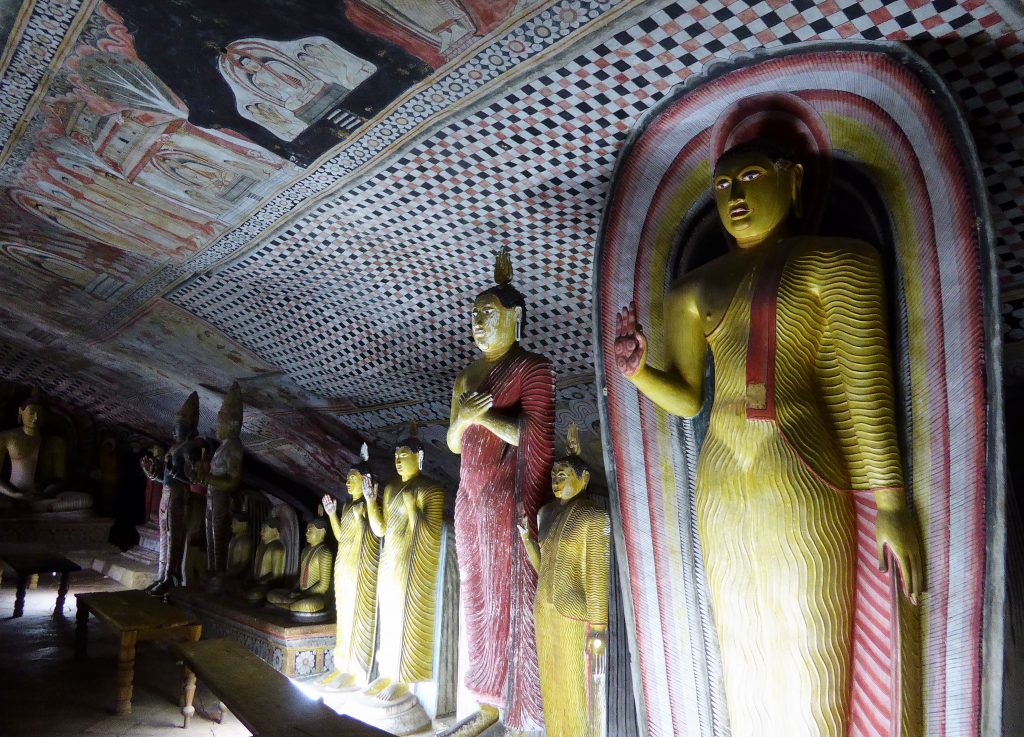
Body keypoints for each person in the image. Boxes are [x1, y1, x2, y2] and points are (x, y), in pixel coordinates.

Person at [614, 132, 923, 736]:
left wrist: (891, 501)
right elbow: (687, 399)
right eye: (723, 185)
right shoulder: (691, 291)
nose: (735, 196)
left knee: (809, 631)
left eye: (752, 177)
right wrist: (638, 372)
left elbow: (863, 385)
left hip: (798, 456)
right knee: (739, 631)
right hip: (722, 467)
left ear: (795, 180)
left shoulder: (836, 261)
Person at [443, 247, 553, 735]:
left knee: (509, 597)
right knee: (477, 598)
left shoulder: (532, 369)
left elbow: (536, 436)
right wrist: (463, 416)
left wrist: (481, 414)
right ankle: (485, 698)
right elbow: (452, 441)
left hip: (508, 501)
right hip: (470, 500)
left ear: (515, 318)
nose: (478, 324)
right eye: (474, 316)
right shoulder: (465, 377)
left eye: (488, 315)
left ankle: (520, 706)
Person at [518, 423, 609, 737]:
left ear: (583, 480)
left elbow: (597, 576)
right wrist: (527, 540)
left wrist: (598, 628)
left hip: (573, 612)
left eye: (564, 475)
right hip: (544, 608)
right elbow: (543, 566)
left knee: (575, 684)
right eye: (554, 475)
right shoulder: (545, 514)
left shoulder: (593, 517)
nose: (556, 481)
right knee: (552, 681)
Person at [361, 431, 445, 703]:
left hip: (414, 563)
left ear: (419, 458)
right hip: (391, 560)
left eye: (404, 455)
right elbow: (381, 529)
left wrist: (412, 509)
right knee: (389, 616)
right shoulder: (390, 488)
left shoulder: (431, 489)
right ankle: (387, 672)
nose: (397, 460)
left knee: (407, 616)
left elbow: (431, 533)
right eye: (396, 456)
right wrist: (371, 502)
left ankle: (405, 679)